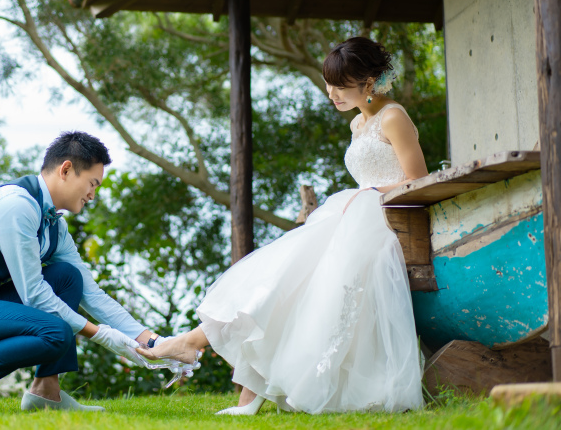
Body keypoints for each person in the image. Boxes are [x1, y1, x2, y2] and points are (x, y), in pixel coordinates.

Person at [138, 37, 429, 415]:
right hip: (354, 215)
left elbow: (417, 180)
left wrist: (367, 195)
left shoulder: (393, 117)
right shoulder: (359, 123)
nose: (331, 94)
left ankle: (202, 350)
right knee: (281, 273)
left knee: (298, 274)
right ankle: (234, 378)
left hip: (384, 219)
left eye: (340, 86)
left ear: (369, 83)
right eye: (329, 84)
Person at [0, 131, 168, 413]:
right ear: (66, 169)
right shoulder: (16, 205)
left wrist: (156, 343)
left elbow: (92, 294)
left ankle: (46, 391)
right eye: (92, 183)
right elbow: (33, 294)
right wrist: (101, 334)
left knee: (67, 278)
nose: (93, 195)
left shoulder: (55, 227)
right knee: (56, 331)